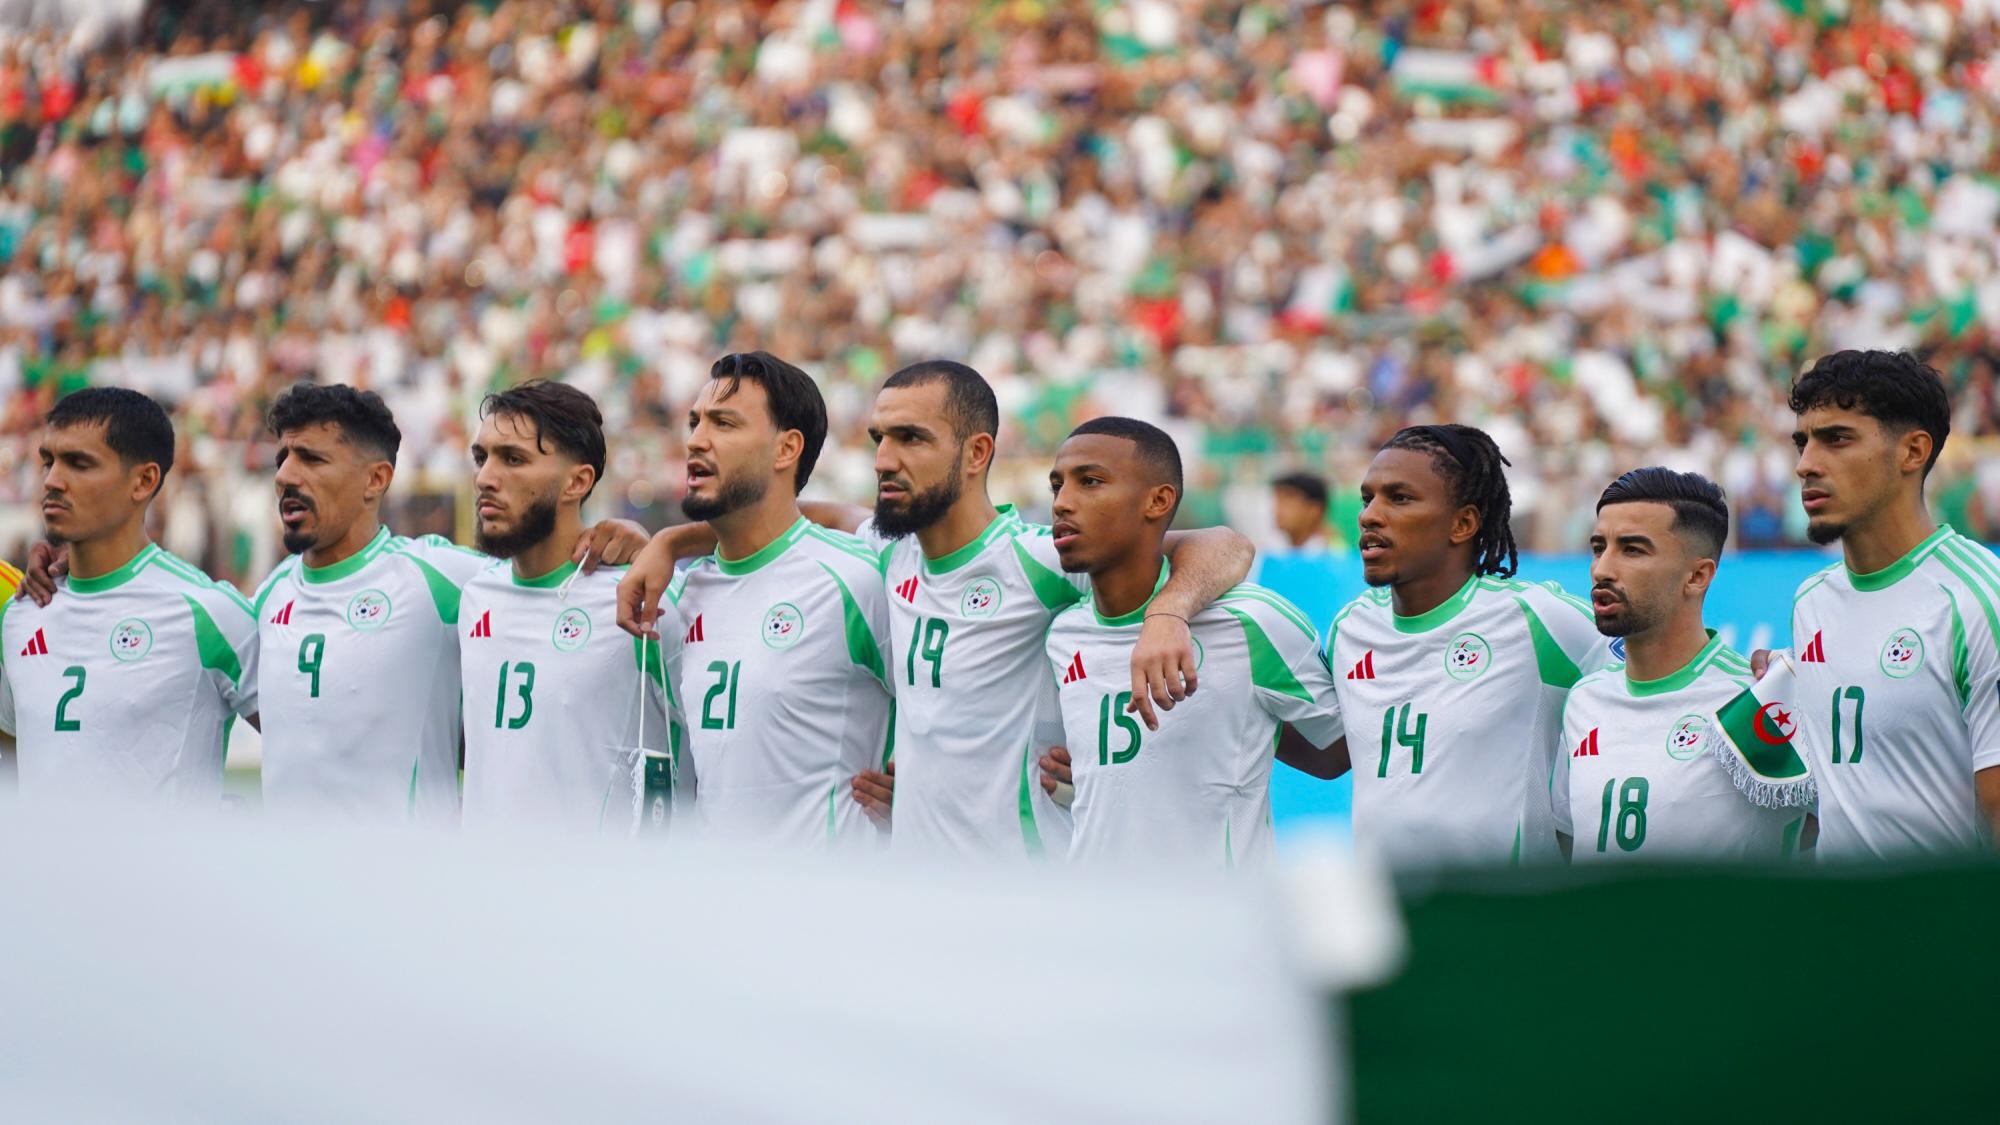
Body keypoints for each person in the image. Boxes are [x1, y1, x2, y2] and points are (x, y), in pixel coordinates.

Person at [619, 359, 1255, 857]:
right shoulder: (886, 554)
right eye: (878, 438)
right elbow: (777, 513)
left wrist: (1168, 613)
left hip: (1021, 888)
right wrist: (672, 540)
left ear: (977, 454)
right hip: (919, 895)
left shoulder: (1036, 562)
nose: (884, 459)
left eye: (911, 439)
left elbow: (1224, 546)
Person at [1040, 418, 1343, 867]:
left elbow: (1336, 752)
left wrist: (1243, 722)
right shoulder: (1063, 632)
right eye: (1057, 486)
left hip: (1217, 925)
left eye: (1090, 482)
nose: (1063, 503)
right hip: (1092, 920)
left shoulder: (1251, 620)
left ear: (1158, 501)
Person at [1325, 424, 1610, 867]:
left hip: (1506, 920)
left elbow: (1658, 675)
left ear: (1463, 523)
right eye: (1368, 499)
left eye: (1399, 498)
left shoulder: (1536, 618)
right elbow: (1326, 749)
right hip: (1390, 916)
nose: (1369, 516)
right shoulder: (1351, 627)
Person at [660, 352, 892, 846]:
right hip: (718, 908)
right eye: (695, 422)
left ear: (786, 449)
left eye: (724, 423)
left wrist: (925, 780)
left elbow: (953, 701)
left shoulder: (855, 578)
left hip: (833, 909)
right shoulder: (680, 595)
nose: (697, 440)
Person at [1781, 350, 2000, 858]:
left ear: (1912, 452)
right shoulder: (1810, 602)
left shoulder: (1979, 600)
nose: (1805, 465)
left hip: (1942, 930)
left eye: (1836, 439)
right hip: (1836, 929)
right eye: (1802, 442)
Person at [0, 388, 259, 805]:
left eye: (78, 464)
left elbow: (306, 745)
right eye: (48, 461)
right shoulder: (19, 614)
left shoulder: (206, 610)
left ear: (143, 481)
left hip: (170, 873)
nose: (51, 480)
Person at [1553, 468, 1807, 863]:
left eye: (1632, 549)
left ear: (1697, 576)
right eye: (1599, 547)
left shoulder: (1759, 698)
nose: (1602, 569)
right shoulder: (1584, 700)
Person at [456, 382, 671, 833]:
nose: (485, 478)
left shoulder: (641, 599)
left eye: (513, 459)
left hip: (597, 896)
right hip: (482, 894)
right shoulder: (473, 593)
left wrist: (673, 541)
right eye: (483, 458)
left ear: (578, 481)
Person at [1270, 472, 1332, 552]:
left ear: (1314, 509)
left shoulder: (1335, 554)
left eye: (1288, 500)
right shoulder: (1274, 550)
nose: (1278, 509)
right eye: (1278, 500)